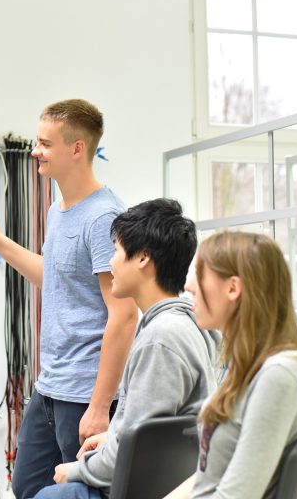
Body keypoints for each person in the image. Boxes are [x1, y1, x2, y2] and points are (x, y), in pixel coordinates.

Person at [0, 99, 138, 498]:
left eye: (45, 144)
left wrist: (99, 405)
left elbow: (123, 315)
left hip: (85, 392)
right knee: (27, 488)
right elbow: (53, 277)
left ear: (77, 149)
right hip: (51, 386)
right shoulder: (59, 210)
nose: (36, 151)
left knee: (80, 494)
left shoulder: (103, 216)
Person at [33, 198, 221, 499]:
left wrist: (75, 471)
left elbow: (135, 453)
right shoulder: (190, 325)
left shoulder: (161, 338)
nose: (111, 262)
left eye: (118, 251)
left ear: (143, 258)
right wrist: (110, 438)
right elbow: (149, 432)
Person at [165, 231, 297, 498]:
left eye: (200, 275)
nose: (189, 286)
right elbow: (207, 478)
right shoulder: (246, 366)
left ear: (233, 288)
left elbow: (236, 495)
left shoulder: (279, 375)